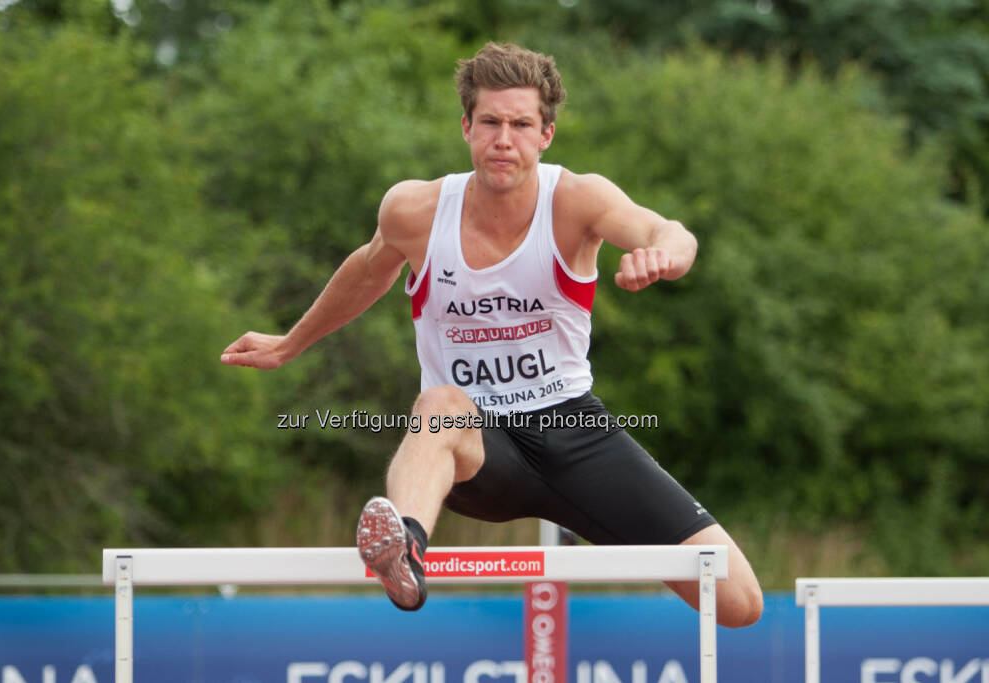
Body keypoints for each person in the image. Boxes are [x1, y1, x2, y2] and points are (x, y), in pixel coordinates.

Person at [221, 42, 763, 626]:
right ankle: (402, 545)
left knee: (737, 601)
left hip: (573, 432)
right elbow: (366, 271)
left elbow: (669, 230)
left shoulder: (578, 200)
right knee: (441, 404)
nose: (504, 139)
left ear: (545, 134)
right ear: (467, 127)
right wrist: (288, 343)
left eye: (521, 124)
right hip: (479, 448)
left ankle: (412, 539)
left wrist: (662, 257)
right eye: (491, 122)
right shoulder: (415, 211)